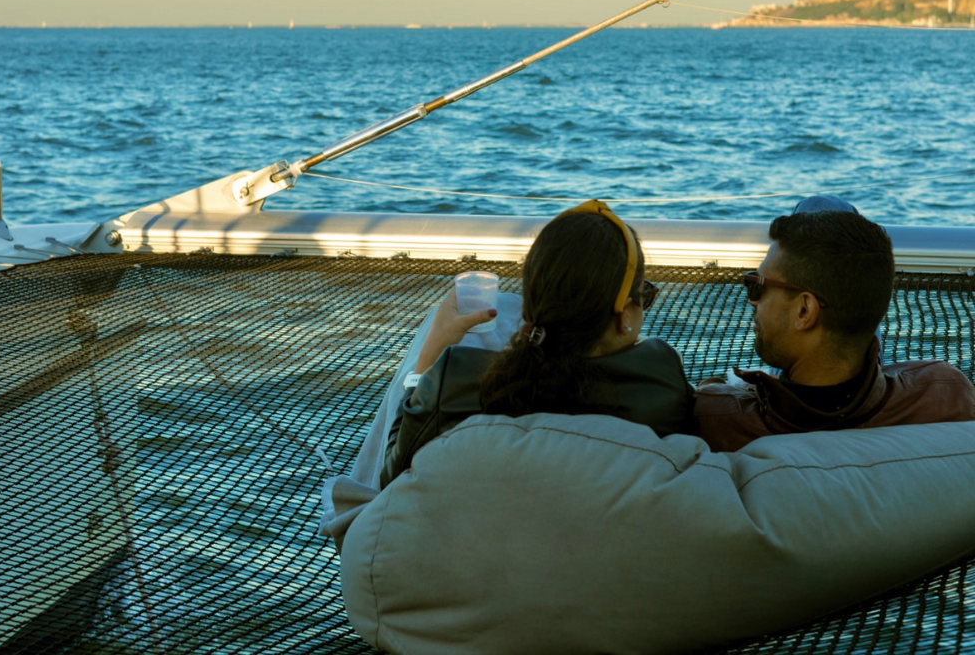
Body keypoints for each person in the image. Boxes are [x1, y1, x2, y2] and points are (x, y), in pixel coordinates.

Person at [380, 199, 694, 487]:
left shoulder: (456, 381)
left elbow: (391, 477)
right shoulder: (662, 384)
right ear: (623, 314)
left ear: (531, 302)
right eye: (645, 294)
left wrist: (428, 360)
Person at [693, 207, 975, 451]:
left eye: (757, 286)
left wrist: (713, 389)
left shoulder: (719, 419)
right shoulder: (945, 394)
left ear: (804, 311)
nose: (752, 300)